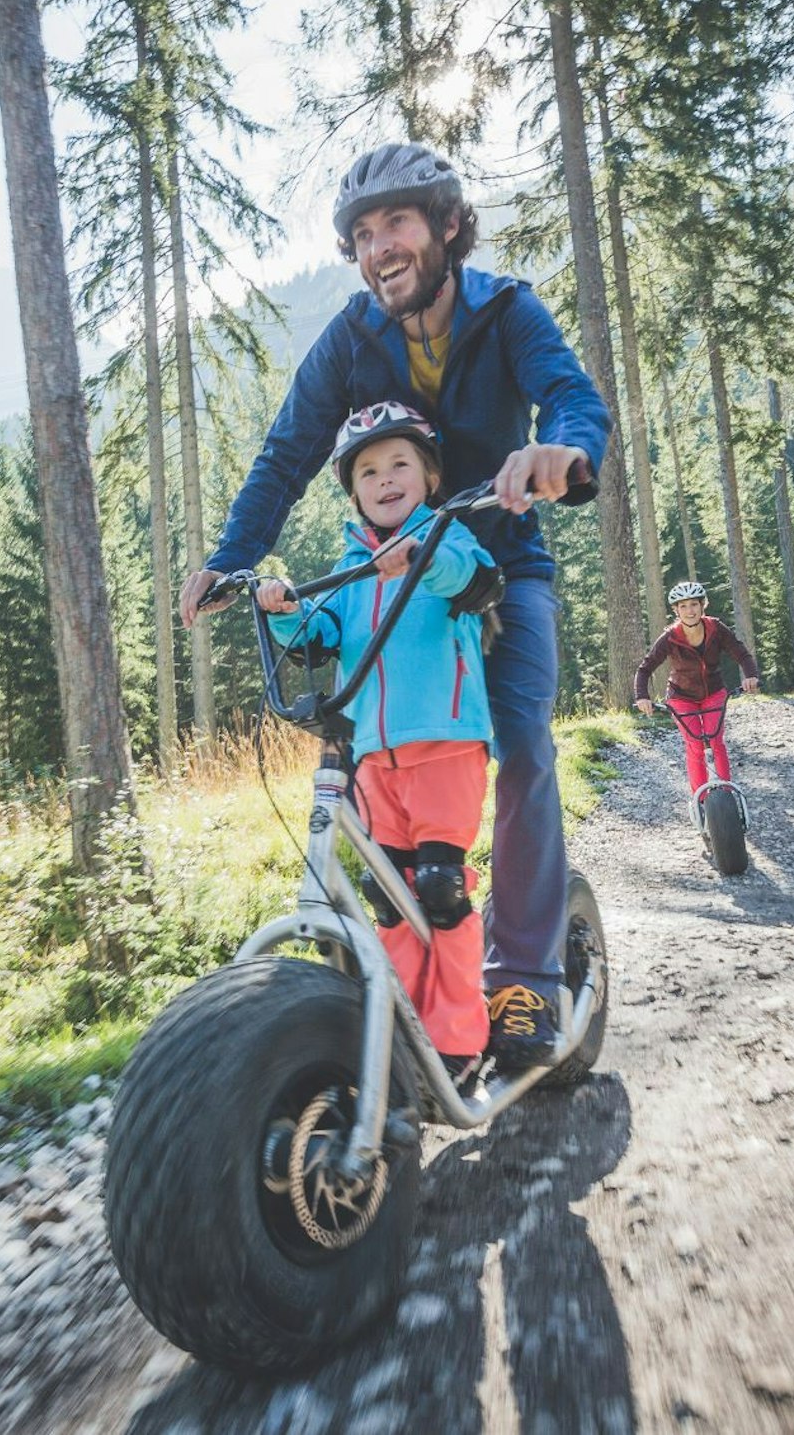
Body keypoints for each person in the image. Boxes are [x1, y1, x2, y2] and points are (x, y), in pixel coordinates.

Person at [180, 142, 610, 1073]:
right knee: (359, 761)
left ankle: (522, 976)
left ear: (448, 226)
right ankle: (387, 984)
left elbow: (569, 396)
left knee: (523, 749)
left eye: (398, 223)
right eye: (363, 234)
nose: (380, 248)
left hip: (500, 572)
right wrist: (230, 560)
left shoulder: (506, 310)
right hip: (391, 595)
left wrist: (562, 452)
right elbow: (288, 453)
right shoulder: (351, 340)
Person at [260, 403, 498, 1089]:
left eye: (400, 464)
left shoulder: (448, 537)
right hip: (374, 759)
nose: (385, 479)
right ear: (354, 491)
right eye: (368, 471)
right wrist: (284, 612)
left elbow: (472, 577)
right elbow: (319, 636)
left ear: (429, 477)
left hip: (446, 745)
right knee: (389, 894)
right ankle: (405, 1032)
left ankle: (458, 1038)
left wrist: (421, 557)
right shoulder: (349, 566)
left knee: (440, 889)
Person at [634, 581, 761, 793]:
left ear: (703, 605)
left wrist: (751, 676)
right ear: (676, 610)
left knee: (715, 740)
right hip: (680, 697)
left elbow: (742, 654)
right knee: (694, 745)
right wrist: (642, 696)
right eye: (683, 606)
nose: (689, 611)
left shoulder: (716, 629)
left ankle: (727, 795)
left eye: (694, 604)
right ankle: (700, 800)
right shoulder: (670, 637)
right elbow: (645, 669)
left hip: (713, 692)